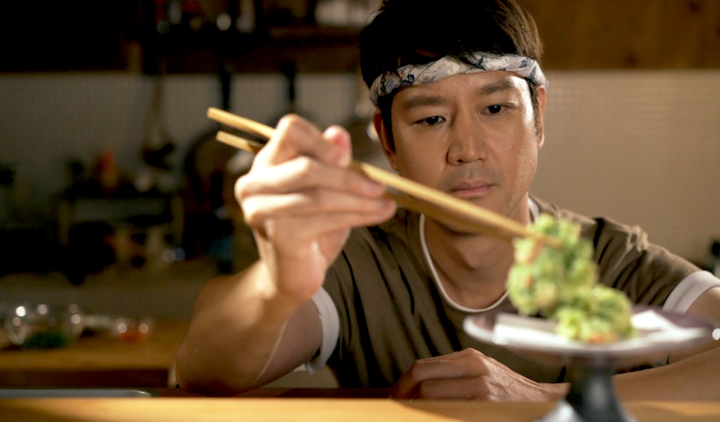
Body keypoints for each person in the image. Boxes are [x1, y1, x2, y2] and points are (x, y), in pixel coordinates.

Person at [175, 0, 720, 400]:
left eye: (496, 109)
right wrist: (277, 285)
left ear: (539, 118)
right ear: (387, 141)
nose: (467, 149)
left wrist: (540, 400)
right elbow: (203, 372)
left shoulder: (610, 264)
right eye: (431, 119)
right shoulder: (356, 259)